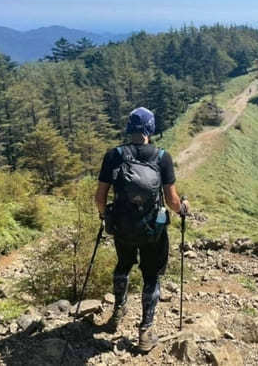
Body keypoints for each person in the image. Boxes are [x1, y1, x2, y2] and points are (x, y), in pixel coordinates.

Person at [95, 107, 190, 352]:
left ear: (129, 127)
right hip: (151, 230)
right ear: (151, 128)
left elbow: (100, 196)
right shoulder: (162, 157)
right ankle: (146, 331)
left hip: (123, 227)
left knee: (123, 266)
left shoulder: (114, 155)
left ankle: (118, 311)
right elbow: (171, 200)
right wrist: (183, 209)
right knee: (151, 275)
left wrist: (106, 217)